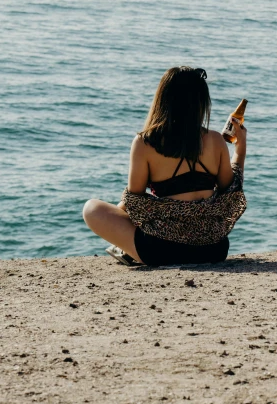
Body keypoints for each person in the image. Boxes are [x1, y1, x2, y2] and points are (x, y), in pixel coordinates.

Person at [83, 66, 247, 266]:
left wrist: (119, 218)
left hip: (161, 251)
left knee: (92, 208)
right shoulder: (215, 139)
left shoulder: (145, 142)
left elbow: (135, 202)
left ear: (163, 99)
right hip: (213, 249)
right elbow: (231, 192)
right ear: (200, 102)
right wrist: (240, 149)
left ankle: (127, 249)